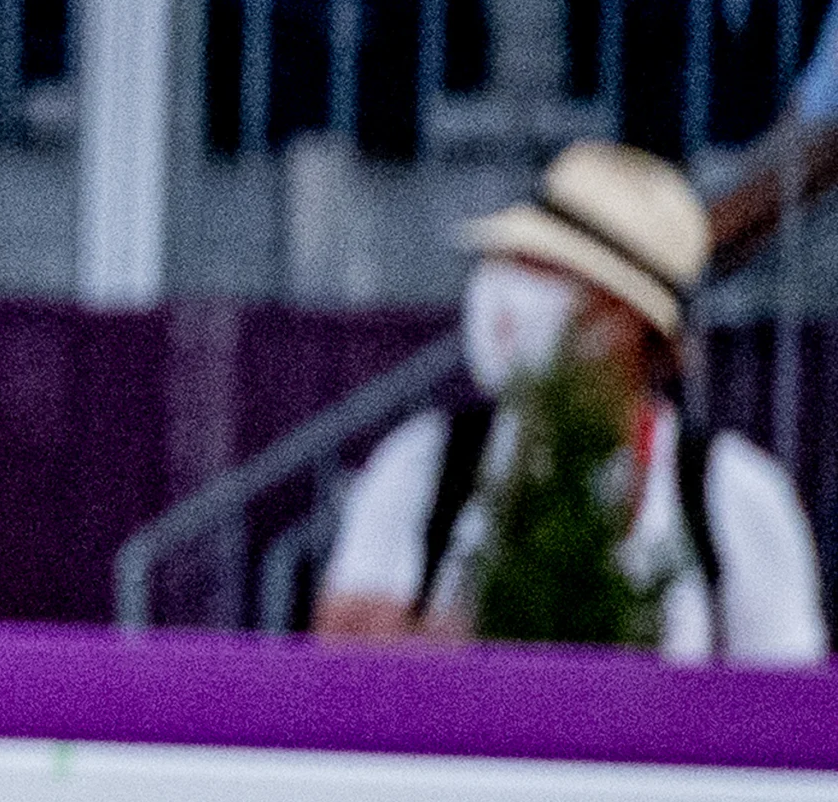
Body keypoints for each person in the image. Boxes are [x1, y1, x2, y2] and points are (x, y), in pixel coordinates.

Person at [315, 139, 828, 662]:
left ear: (625, 318)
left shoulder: (731, 493)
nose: (502, 289)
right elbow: (344, 661)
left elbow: (782, 709)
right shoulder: (425, 462)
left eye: (543, 269)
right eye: (504, 261)